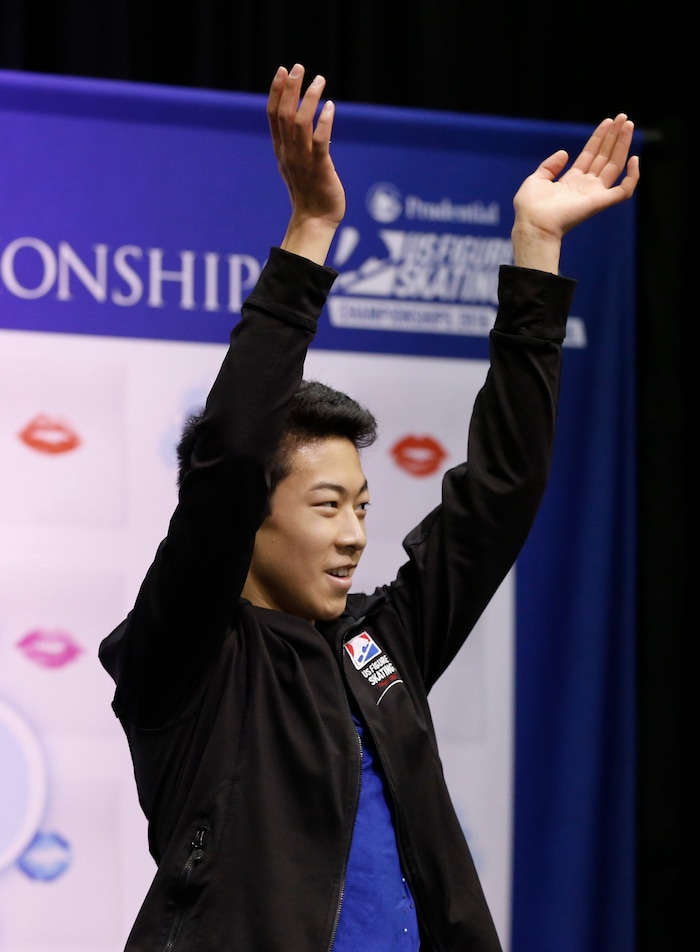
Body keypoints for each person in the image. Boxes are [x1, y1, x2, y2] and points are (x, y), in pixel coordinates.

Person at [99, 63, 640, 952]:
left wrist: (535, 250)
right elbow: (233, 456)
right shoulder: (186, 659)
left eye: (362, 504)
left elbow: (500, 494)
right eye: (326, 504)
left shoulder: (376, 641)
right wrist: (311, 232)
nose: (355, 534)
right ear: (253, 520)